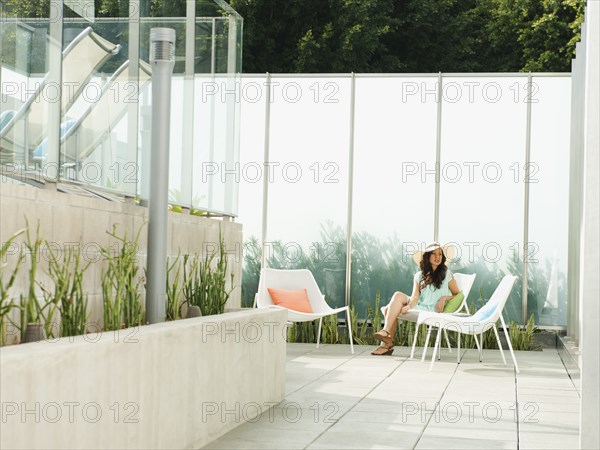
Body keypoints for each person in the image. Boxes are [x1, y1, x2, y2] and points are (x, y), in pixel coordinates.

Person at [371, 242, 461, 356]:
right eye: (434, 254)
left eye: (440, 254)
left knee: (389, 309)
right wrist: (408, 306)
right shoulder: (419, 275)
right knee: (397, 295)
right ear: (427, 256)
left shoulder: (447, 274)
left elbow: (458, 295)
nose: (438, 257)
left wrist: (444, 298)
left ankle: (386, 343)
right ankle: (386, 334)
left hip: (431, 309)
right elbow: (415, 297)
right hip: (419, 304)